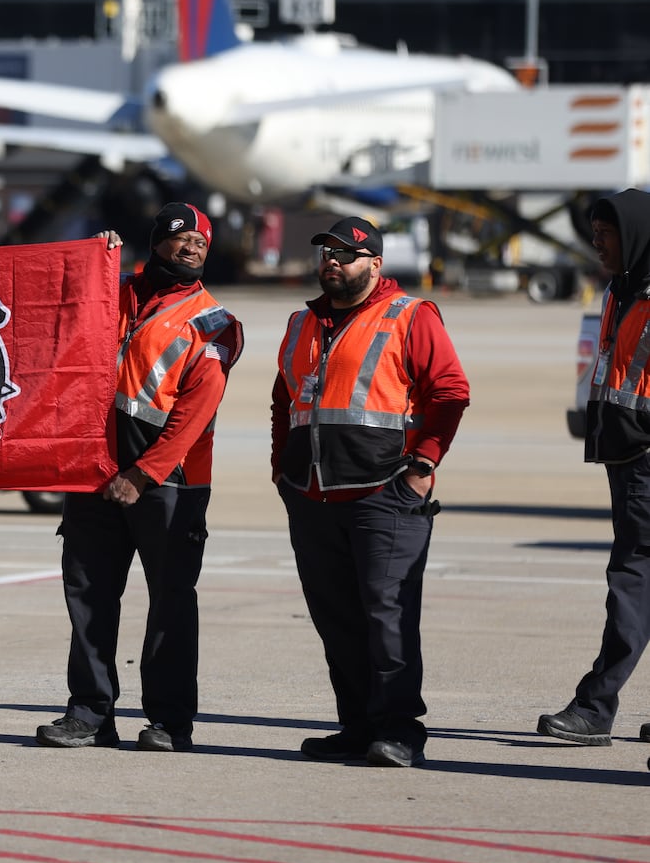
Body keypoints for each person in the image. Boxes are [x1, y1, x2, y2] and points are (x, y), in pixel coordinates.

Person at [36, 203, 243, 751]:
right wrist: (91, 261)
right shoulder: (112, 292)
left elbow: (196, 412)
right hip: (93, 477)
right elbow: (51, 313)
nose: (195, 246)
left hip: (170, 485)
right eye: (183, 238)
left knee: (171, 604)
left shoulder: (216, 324)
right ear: (157, 243)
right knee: (88, 600)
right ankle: (89, 714)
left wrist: (144, 474)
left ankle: (170, 723)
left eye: (203, 241)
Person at [272, 216, 470, 769]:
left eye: (345, 253)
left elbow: (450, 391)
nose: (331, 260)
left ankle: (400, 730)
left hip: (384, 493)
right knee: (336, 618)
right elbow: (283, 398)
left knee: (388, 616)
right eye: (326, 252)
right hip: (312, 495)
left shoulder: (410, 314)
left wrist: (424, 463)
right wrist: (280, 467)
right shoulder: (301, 322)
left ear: (375, 264)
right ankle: (357, 727)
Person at [538, 187, 650, 758]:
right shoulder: (622, 288)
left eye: (606, 234)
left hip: (646, 461)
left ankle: (595, 706)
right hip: (626, 457)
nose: (597, 243)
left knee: (631, 582)